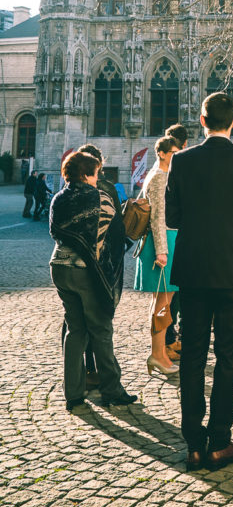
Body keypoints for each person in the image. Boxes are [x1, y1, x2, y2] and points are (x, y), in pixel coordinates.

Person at [166, 92, 233, 471]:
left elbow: (172, 218)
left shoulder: (181, 160)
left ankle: (193, 444)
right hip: (231, 270)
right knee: (228, 357)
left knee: (192, 355)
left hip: (192, 269)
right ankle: (220, 441)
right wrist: (232, 226)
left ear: (202, 121)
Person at [49, 150, 135, 410]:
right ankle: (112, 390)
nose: (98, 178)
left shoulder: (58, 198)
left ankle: (73, 394)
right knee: (101, 329)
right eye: (96, 173)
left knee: (75, 329)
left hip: (59, 266)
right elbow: (115, 236)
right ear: (86, 174)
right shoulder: (100, 198)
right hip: (87, 271)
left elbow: (56, 231)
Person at [73, 144, 126, 391]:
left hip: (73, 265)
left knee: (76, 323)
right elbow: (117, 229)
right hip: (102, 264)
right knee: (100, 319)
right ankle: (106, 380)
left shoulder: (68, 191)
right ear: (99, 164)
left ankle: (80, 375)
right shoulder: (106, 188)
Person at [133, 136, 180, 378]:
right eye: (173, 153)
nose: (176, 157)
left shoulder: (157, 174)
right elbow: (158, 218)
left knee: (161, 303)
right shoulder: (160, 176)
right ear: (161, 153)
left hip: (162, 243)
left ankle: (159, 352)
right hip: (163, 244)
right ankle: (158, 354)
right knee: (163, 304)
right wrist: (162, 251)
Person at [163, 123, 188, 362]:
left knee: (175, 296)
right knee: (168, 299)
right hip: (168, 243)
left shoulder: (168, 171)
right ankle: (167, 342)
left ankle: (172, 338)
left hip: (175, 241)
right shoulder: (161, 175)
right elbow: (161, 218)